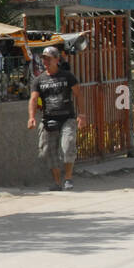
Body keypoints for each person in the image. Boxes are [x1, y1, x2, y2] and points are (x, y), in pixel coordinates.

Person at [27, 46, 79, 191]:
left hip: (67, 118)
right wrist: (31, 117)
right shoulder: (39, 80)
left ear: (57, 59)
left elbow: (78, 94)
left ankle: (68, 178)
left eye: (49, 58)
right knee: (47, 151)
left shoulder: (68, 76)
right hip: (48, 119)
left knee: (68, 145)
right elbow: (33, 99)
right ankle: (57, 182)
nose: (46, 61)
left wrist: (82, 115)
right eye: (44, 58)